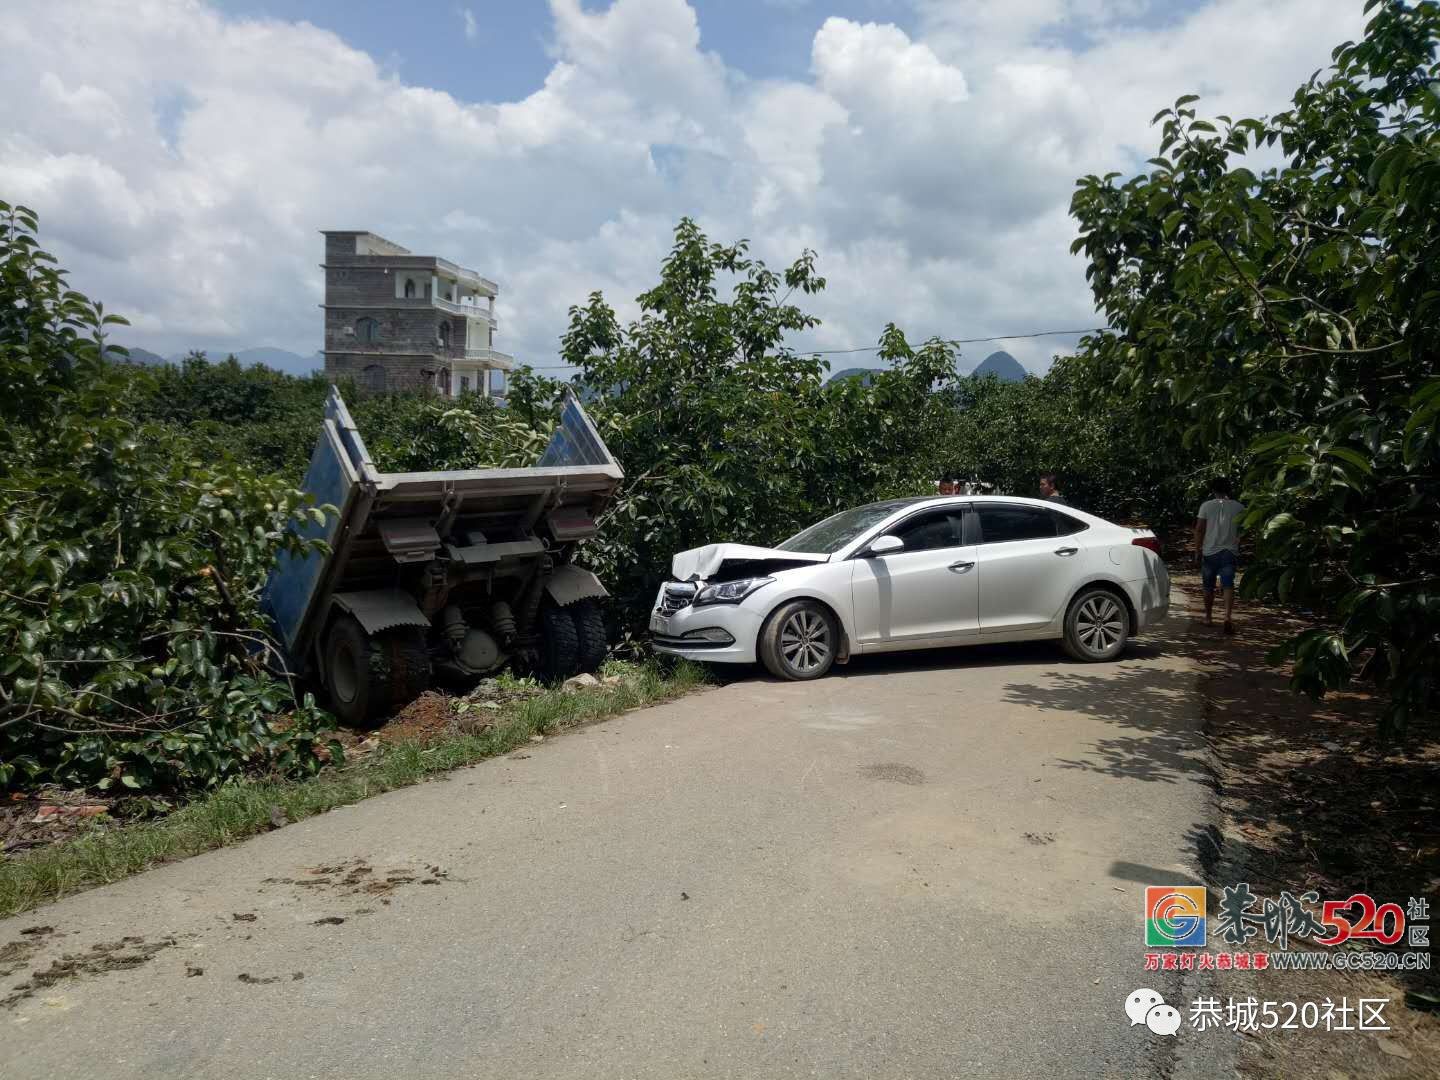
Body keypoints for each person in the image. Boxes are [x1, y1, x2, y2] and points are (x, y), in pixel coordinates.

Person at [1195, 477, 1245, 634]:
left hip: (1210, 552)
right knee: (1228, 585)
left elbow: (1199, 529)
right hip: (1230, 552)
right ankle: (1227, 617)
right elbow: (1244, 529)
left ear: (1213, 490)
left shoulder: (1206, 506)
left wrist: (1198, 549)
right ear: (1228, 489)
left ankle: (1208, 617)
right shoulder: (1239, 507)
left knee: (1208, 586)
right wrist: (1238, 542)